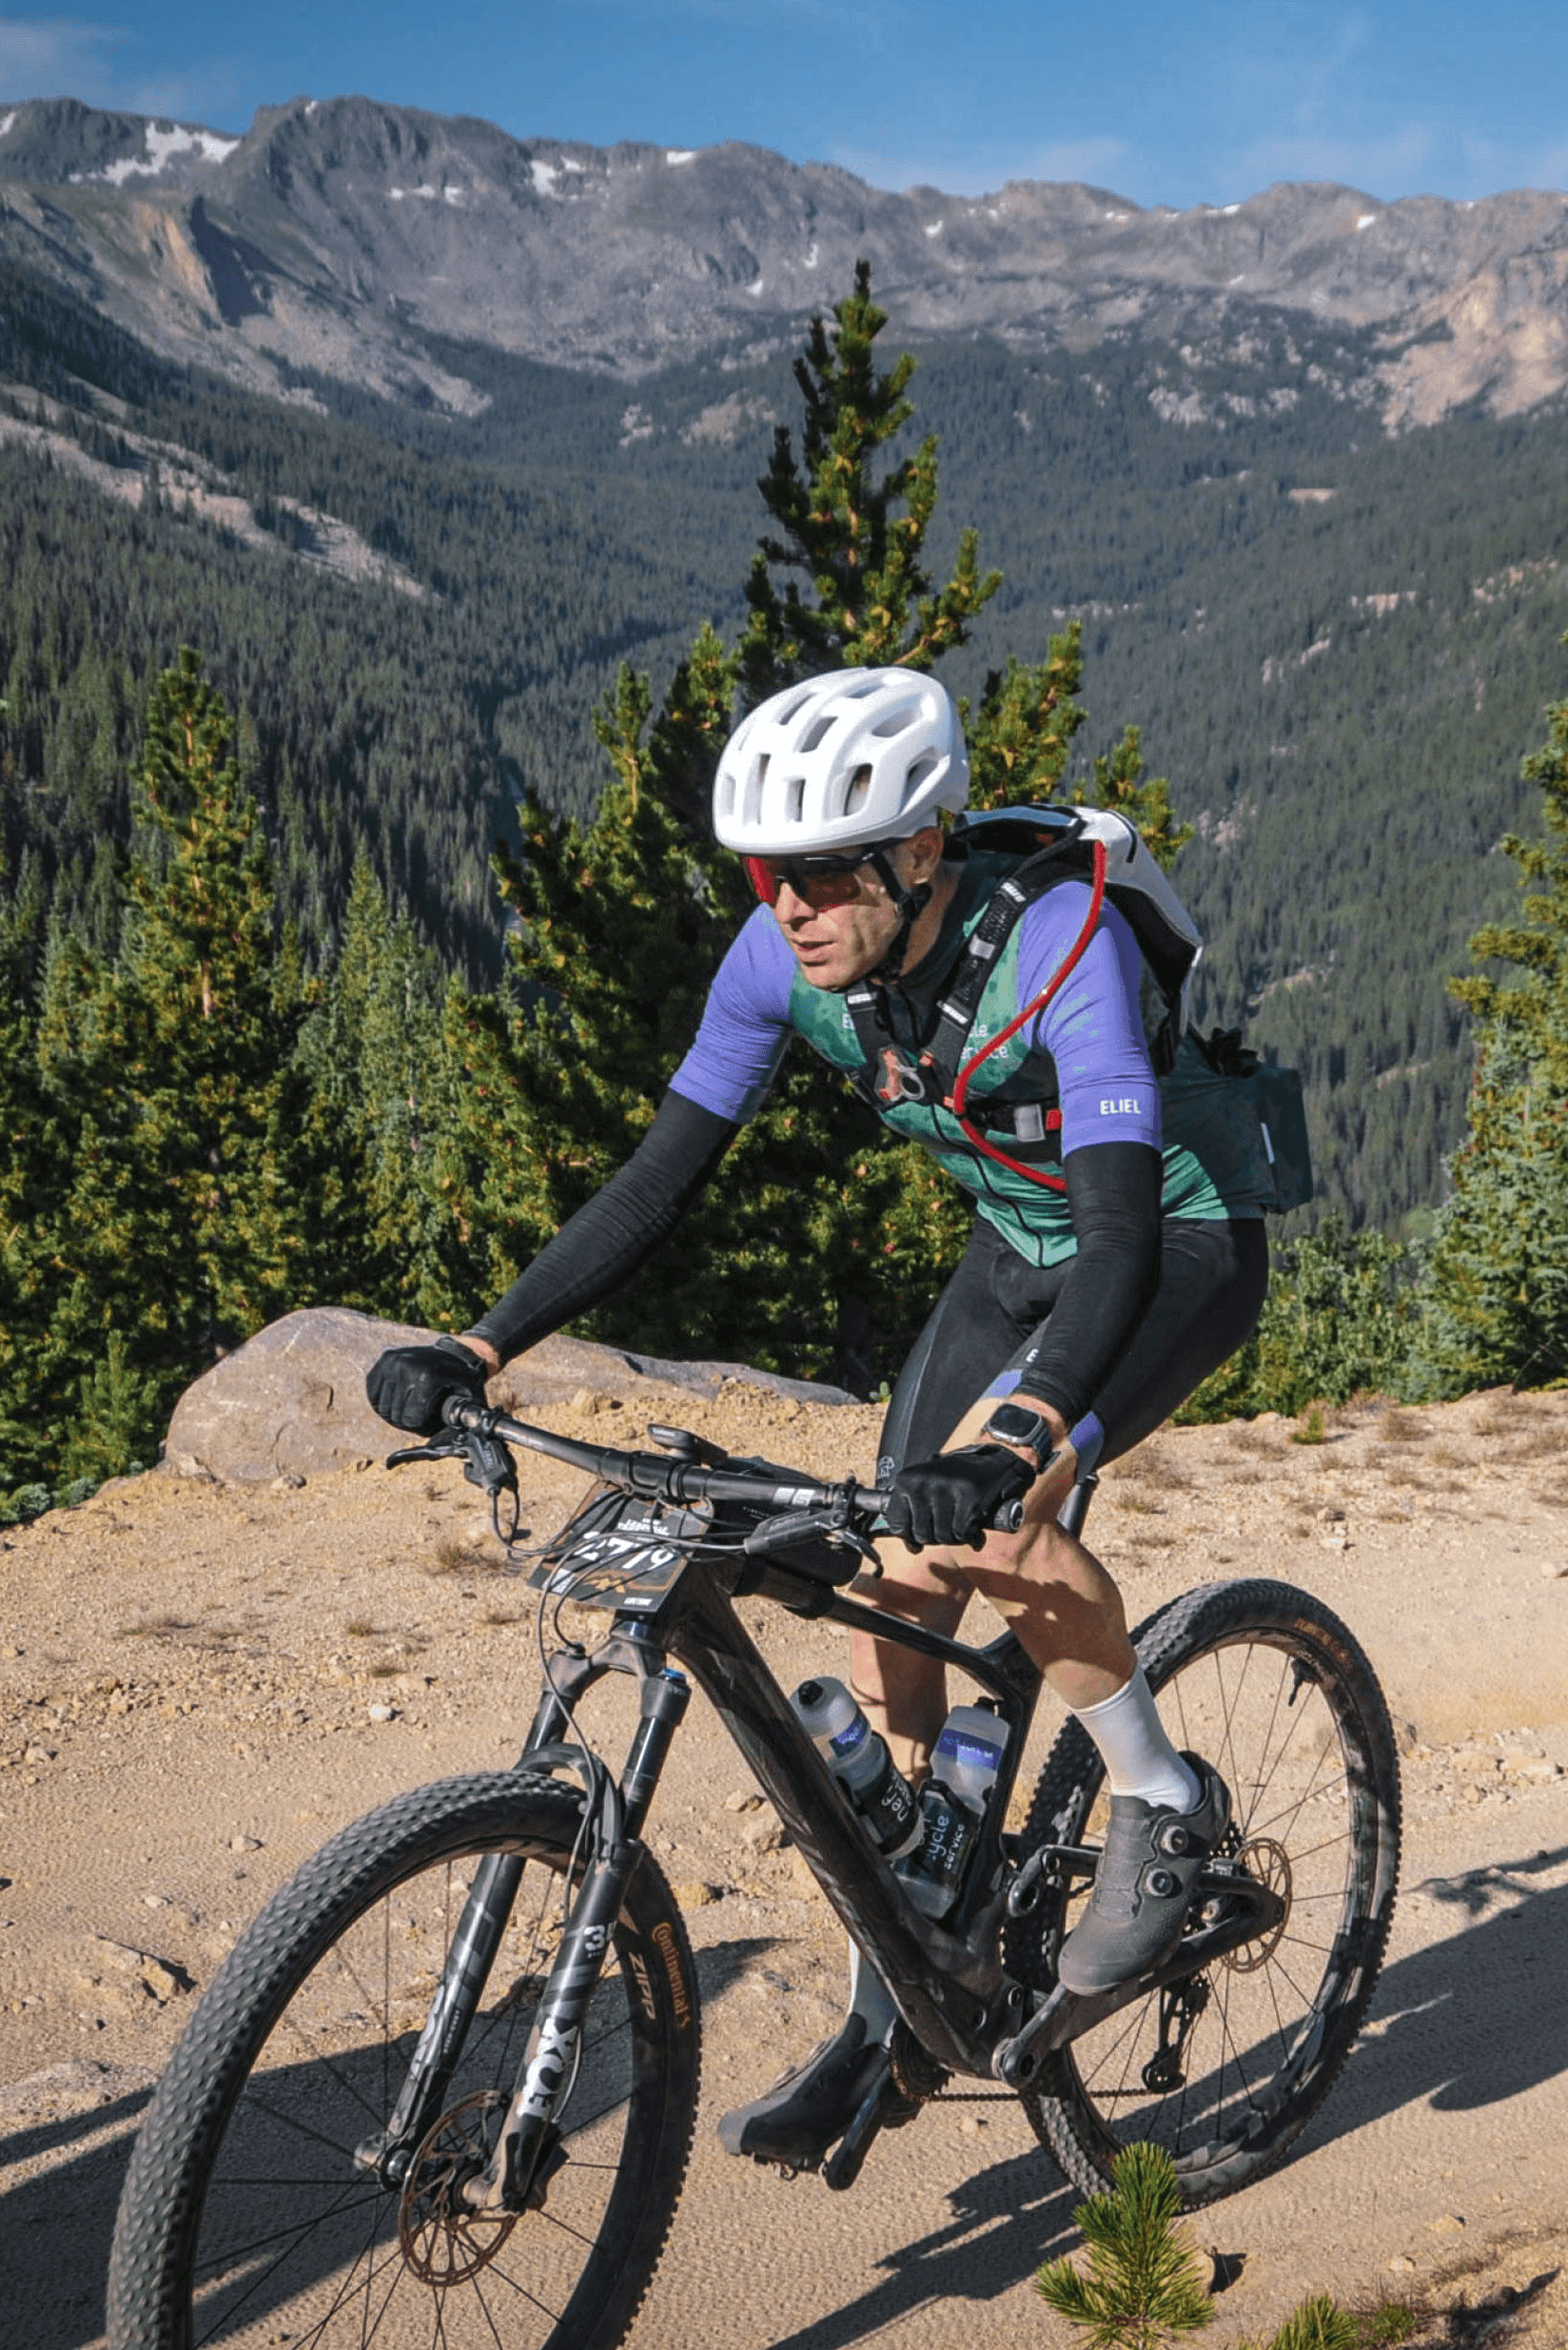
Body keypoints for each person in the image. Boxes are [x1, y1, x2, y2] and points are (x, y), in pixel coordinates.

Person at [367, 665, 1272, 2173]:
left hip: (1170, 1240)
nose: (787, 905)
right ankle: (907, 1984)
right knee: (878, 1572)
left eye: (822, 873)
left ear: (919, 854)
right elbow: (661, 1178)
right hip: (1014, 1244)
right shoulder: (778, 961)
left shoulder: (1062, 944)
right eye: (766, 875)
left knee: (999, 1517)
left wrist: (1022, 1432)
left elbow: (1118, 1236)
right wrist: (482, 1342)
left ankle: (1165, 1807)